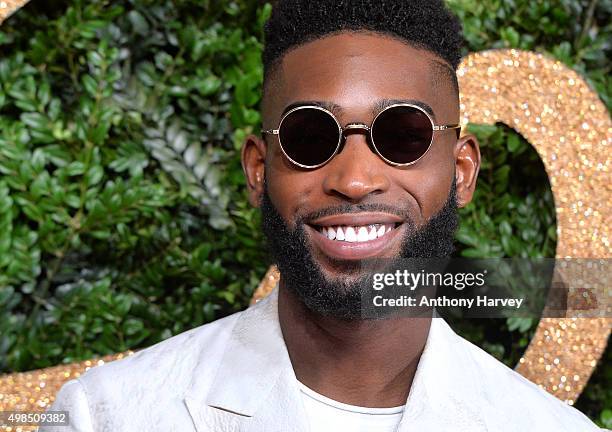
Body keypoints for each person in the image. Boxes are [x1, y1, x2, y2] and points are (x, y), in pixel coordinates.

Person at [42, 1, 601, 431]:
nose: (355, 180)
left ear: (461, 172)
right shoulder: (109, 415)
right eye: (310, 137)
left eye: (402, 135)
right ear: (259, 171)